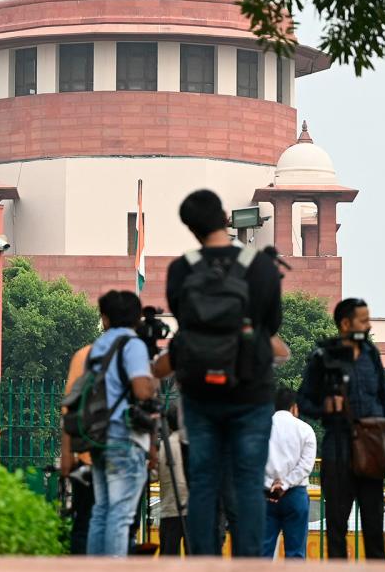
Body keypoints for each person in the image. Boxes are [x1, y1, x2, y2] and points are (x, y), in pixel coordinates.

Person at [153, 189, 284, 557]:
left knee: (204, 484)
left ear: (191, 228)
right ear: (225, 216)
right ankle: (248, 565)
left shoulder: (183, 268)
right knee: (246, 484)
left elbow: (186, 324)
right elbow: (270, 324)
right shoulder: (258, 266)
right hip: (250, 390)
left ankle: (202, 563)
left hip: (199, 392)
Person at [297, 297, 385, 559]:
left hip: (371, 448)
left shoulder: (371, 354)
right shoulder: (323, 356)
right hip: (337, 449)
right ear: (345, 323)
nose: (369, 325)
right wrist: (326, 406)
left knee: (375, 525)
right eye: (364, 320)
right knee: (337, 526)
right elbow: (304, 400)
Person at [85, 290, 158, 557]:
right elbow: (142, 391)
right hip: (124, 436)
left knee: (102, 510)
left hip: (99, 435)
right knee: (121, 512)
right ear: (137, 317)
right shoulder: (133, 344)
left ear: (105, 318)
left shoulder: (99, 346)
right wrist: (153, 381)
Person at [262, 387, 316, 559]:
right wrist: (284, 484)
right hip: (295, 494)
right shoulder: (305, 430)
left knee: (263, 553)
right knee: (295, 555)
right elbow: (305, 466)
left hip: (266, 494)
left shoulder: (261, 428)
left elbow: (253, 462)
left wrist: (270, 484)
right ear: (294, 407)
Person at [60, 342, 95, 554]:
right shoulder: (136, 351)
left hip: (87, 456)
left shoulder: (84, 354)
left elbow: (69, 407)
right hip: (122, 458)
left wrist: (67, 453)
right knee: (122, 524)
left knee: (84, 523)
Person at [156, 401, 189, 557]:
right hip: (192, 509)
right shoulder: (194, 443)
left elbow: (153, 474)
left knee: (168, 556)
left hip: (170, 508)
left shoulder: (164, 446)